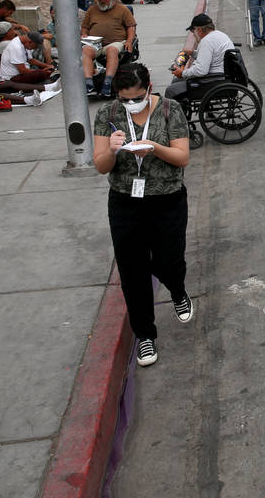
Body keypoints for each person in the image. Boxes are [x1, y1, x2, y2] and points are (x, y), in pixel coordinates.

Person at [92, 61, 192, 367]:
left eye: (136, 97)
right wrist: (111, 150)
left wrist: (153, 147)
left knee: (169, 259)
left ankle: (177, 289)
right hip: (125, 201)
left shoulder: (170, 110)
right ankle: (145, 334)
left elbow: (182, 157)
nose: (131, 104)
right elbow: (100, 165)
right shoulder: (107, 115)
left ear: (148, 89)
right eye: (125, 99)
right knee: (132, 270)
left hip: (167, 199)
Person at [81, 0, 138, 97]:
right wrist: (84, 35)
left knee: (112, 50)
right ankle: (88, 82)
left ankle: (107, 82)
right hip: (96, 43)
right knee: (86, 50)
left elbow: (131, 27)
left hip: (116, 41)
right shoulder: (92, 10)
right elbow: (85, 27)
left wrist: (129, 41)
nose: (102, 1)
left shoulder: (122, 9)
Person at [165, 13, 234, 102]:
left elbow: (201, 70)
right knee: (176, 81)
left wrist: (183, 73)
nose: (193, 34)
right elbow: (210, 55)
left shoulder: (207, 41)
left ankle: (174, 114)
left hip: (213, 81)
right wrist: (193, 53)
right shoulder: (219, 35)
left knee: (170, 90)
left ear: (200, 30)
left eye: (193, 31)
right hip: (224, 76)